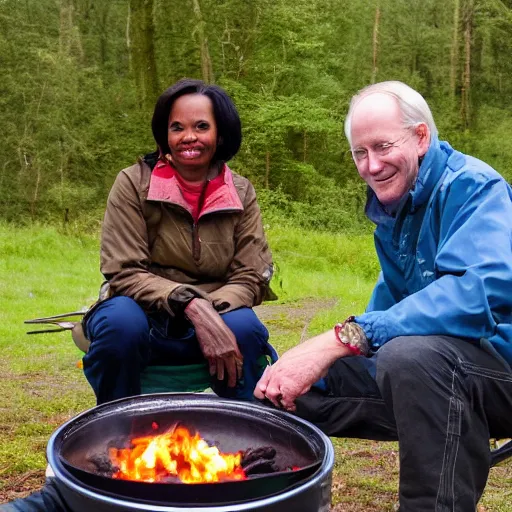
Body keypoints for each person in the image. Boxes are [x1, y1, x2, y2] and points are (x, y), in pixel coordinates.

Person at [255, 81, 512, 511]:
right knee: (292, 384)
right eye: (359, 152)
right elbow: (389, 314)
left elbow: (475, 294)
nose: (371, 166)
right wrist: (315, 358)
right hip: (438, 372)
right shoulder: (394, 212)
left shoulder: (473, 187)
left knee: (412, 359)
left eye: (383, 146)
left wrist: (342, 337)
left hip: (499, 366)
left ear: (421, 137)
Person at [80, 78, 277, 405]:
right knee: (119, 325)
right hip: (143, 313)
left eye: (202, 126)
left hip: (218, 308)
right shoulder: (132, 183)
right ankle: (116, 429)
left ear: (220, 133)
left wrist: (209, 312)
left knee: (246, 329)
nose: (189, 137)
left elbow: (251, 275)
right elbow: (124, 271)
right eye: (177, 127)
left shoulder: (241, 191)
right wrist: (191, 305)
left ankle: (244, 432)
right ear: (164, 135)